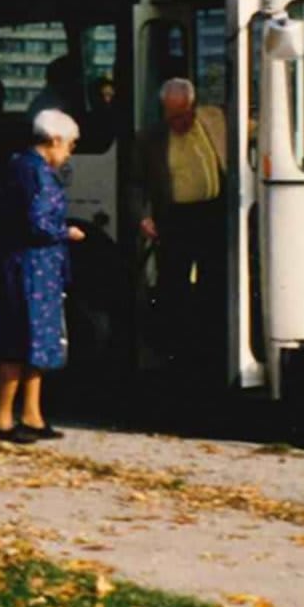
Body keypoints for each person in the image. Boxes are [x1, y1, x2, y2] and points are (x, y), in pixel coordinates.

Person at [0, 108, 85, 444]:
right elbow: (38, 223)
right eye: (69, 145)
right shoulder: (36, 172)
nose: (69, 153)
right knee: (20, 340)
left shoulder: (25, 166)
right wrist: (66, 232)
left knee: (36, 341)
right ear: (54, 140)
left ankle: (31, 413)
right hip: (30, 266)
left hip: (34, 267)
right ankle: (0, 418)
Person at [134, 77, 230, 391]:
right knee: (173, 282)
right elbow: (135, 183)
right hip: (175, 216)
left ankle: (211, 344)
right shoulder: (150, 139)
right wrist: (144, 215)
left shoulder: (216, 120)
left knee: (214, 280)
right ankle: (175, 353)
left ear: (194, 105)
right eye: (172, 115)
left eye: (184, 114)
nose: (179, 121)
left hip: (214, 212)